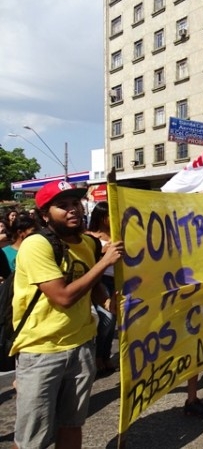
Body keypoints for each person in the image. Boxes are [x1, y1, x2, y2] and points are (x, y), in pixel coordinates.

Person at [11, 180, 124, 449]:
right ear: (44, 215)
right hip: (41, 352)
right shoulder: (36, 245)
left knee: (72, 425)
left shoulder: (87, 242)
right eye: (62, 206)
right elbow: (63, 296)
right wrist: (105, 262)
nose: (73, 210)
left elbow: (92, 284)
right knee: (32, 437)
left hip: (82, 346)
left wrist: (108, 302)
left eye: (75, 203)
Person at [86, 201, 117, 376]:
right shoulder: (90, 237)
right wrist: (104, 252)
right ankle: (97, 357)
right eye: (110, 215)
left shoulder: (117, 234)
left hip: (117, 280)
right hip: (100, 281)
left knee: (112, 320)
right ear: (102, 217)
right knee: (105, 319)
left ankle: (105, 357)